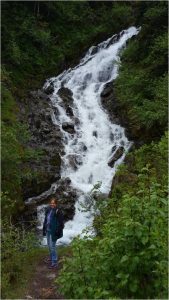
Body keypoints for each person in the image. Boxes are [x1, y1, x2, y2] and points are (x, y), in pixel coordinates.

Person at [42, 197, 64, 269]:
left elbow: (61, 223)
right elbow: (46, 220)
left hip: (54, 231)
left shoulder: (58, 211)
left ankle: (54, 262)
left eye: (53, 203)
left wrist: (58, 231)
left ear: (56, 204)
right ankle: (51, 257)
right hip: (48, 230)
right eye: (51, 203)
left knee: (52, 246)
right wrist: (43, 229)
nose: (52, 204)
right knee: (49, 245)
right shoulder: (48, 210)